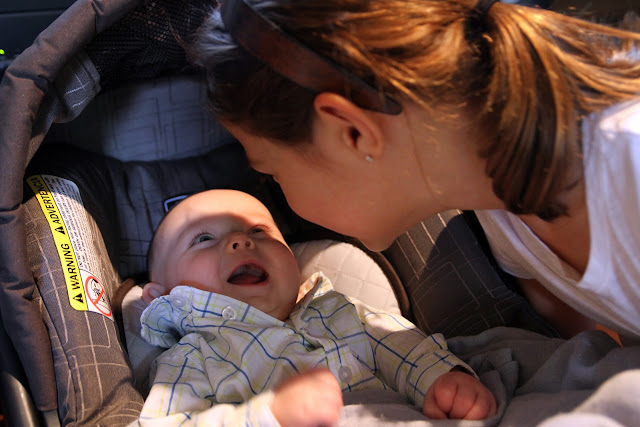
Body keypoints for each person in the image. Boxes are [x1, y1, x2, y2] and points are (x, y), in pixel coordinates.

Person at [189, 0, 640, 342]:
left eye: (273, 174)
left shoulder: (629, 166)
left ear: (352, 132)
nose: (279, 194)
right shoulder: (495, 198)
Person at [135, 189, 497, 426]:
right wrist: (270, 416)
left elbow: (401, 347)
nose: (240, 240)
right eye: (203, 238)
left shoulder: (337, 310)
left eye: (259, 231)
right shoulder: (192, 357)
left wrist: (441, 379)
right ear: (159, 294)